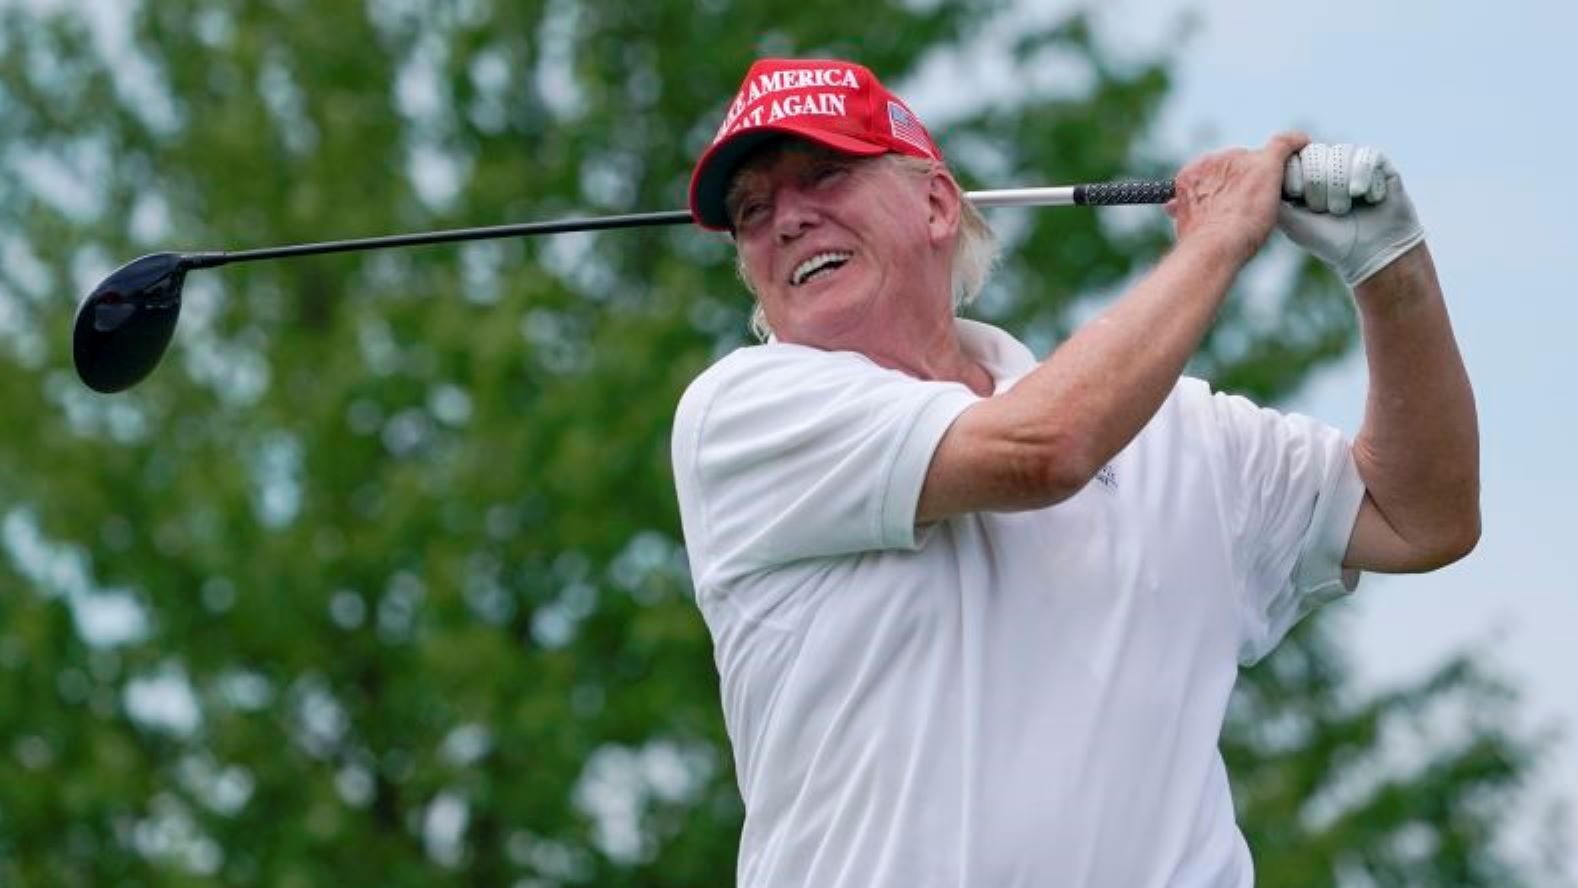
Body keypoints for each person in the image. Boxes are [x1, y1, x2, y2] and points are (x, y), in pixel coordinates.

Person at [670, 57, 1479, 888]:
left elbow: (1421, 518)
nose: (787, 221)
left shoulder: (1176, 432)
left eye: (825, 176)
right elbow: (1044, 450)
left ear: (937, 204)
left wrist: (1389, 266)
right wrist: (1219, 239)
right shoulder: (743, 413)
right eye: (752, 210)